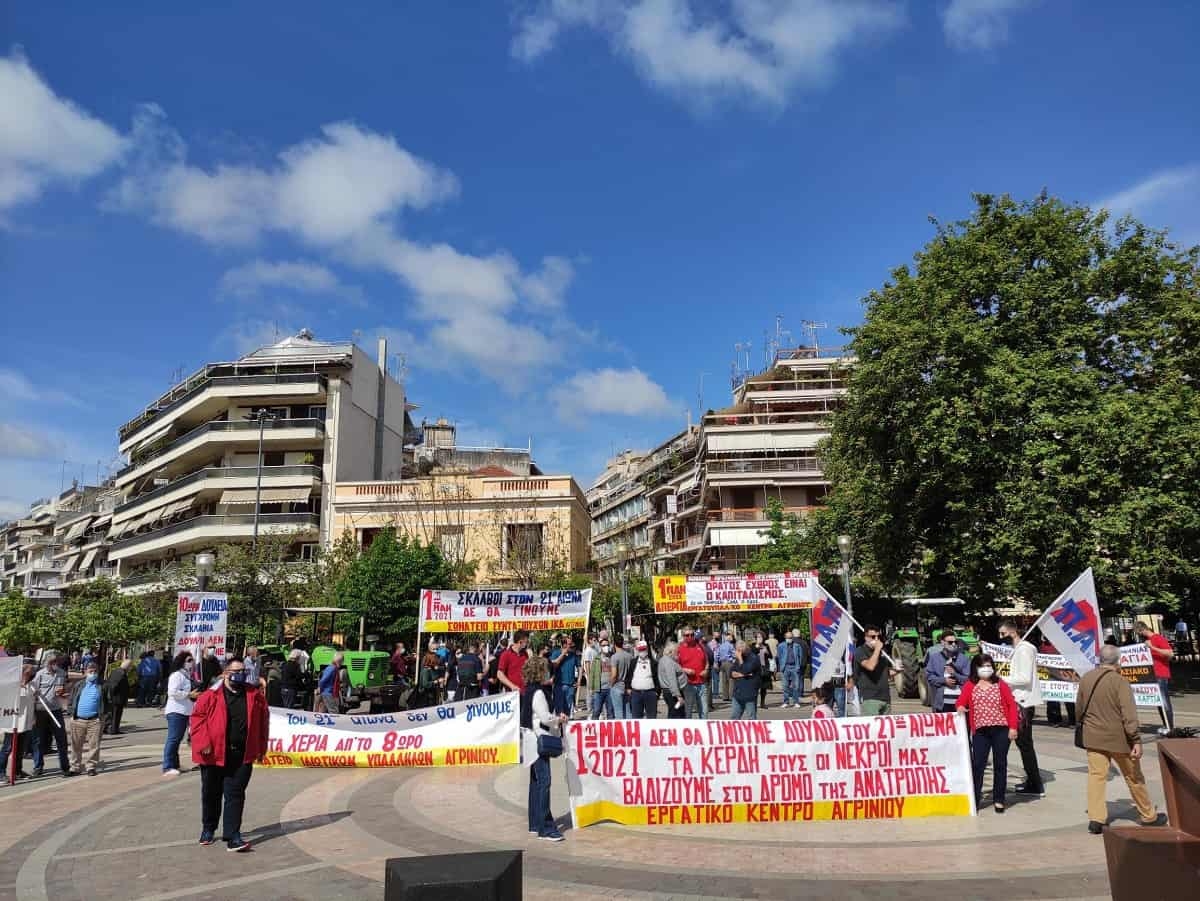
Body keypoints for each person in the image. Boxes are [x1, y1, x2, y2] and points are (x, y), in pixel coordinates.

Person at [1078, 644, 1161, 834]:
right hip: (1119, 739)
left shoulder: (1086, 678)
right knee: (1133, 777)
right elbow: (1129, 715)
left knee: (1096, 777)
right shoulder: (1120, 681)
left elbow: (1079, 709)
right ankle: (1148, 815)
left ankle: (1096, 819)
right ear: (1118, 661)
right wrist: (1136, 739)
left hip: (1093, 737)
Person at [190, 659, 270, 851]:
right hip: (213, 754)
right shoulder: (210, 696)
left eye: (243, 671)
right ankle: (208, 828)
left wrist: (261, 748)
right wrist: (204, 743)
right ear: (225, 673)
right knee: (211, 793)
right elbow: (197, 720)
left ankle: (233, 835)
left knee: (235, 794)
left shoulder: (254, 695)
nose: (240, 674)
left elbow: (263, 723)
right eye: (236, 671)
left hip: (241, 754)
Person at [956, 653, 1019, 813]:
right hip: (981, 731)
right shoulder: (970, 684)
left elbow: (1012, 705)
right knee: (978, 765)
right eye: (983, 666)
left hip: (1001, 729)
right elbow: (961, 701)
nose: (987, 669)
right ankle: (975, 799)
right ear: (976, 668)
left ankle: (999, 799)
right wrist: (960, 707)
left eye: (989, 666)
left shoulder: (1000, 684)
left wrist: (1013, 727)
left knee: (1000, 764)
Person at [521, 655, 565, 842]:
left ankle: (534, 823)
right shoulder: (538, 693)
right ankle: (545, 828)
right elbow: (545, 717)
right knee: (544, 781)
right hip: (539, 740)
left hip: (530, 740)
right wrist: (560, 720)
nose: (548, 672)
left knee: (535, 782)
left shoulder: (529, 690)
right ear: (540, 672)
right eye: (545, 669)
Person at [998, 621, 1043, 796]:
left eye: (1003, 634)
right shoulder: (1021, 648)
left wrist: (1002, 680)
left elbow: (1024, 678)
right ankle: (1033, 781)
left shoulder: (1024, 649)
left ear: (1013, 631)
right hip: (1020, 701)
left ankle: (1035, 783)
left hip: (1022, 702)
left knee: (1023, 743)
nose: (1001, 637)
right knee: (1024, 743)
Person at [31, 655, 71, 778]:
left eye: (55, 662)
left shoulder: (61, 673)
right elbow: (32, 690)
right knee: (38, 740)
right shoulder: (40, 674)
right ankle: (38, 767)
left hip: (55, 710)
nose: (54, 664)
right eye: (51, 662)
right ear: (46, 663)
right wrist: (35, 694)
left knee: (61, 739)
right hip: (41, 710)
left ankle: (65, 767)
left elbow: (63, 688)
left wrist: (64, 692)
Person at [163, 651, 200, 776]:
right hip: (176, 711)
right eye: (189, 660)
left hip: (185, 711)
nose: (191, 663)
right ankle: (167, 766)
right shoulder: (177, 675)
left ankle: (175, 764)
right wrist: (189, 694)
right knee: (173, 739)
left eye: (192, 660)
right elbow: (172, 692)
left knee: (177, 739)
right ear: (182, 662)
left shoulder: (187, 676)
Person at [67, 660, 106, 776]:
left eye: (95, 671)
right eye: (90, 671)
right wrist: (71, 714)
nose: (93, 674)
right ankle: (75, 767)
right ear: (85, 672)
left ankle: (91, 766)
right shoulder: (79, 685)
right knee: (76, 745)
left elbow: (108, 701)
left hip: (95, 720)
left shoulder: (102, 685)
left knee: (94, 745)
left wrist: (103, 715)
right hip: (78, 719)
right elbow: (71, 699)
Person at [1136, 622, 1174, 735]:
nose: (1138, 635)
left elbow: (1170, 653)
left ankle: (1170, 727)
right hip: (1154, 675)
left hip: (1161, 674)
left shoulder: (1157, 638)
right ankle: (1166, 725)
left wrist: (1152, 647)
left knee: (1164, 702)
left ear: (1141, 630)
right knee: (1159, 702)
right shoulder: (1148, 641)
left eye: (1138, 633)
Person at [1, 664, 37, 780]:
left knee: (21, 748)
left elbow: (33, 702)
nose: (29, 675)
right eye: (28, 672)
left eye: (31, 673)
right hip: (13, 721)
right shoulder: (13, 685)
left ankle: (17, 771)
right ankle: (1, 772)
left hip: (26, 721)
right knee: (8, 747)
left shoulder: (32, 685)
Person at [926, 630, 970, 713]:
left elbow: (969, 679)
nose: (954, 644)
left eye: (955, 642)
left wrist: (955, 674)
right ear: (943, 643)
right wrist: (944, 680)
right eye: (950, 642)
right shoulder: (934, 658)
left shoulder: (964, 659)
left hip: (960, 704)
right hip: (941, 703)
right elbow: (929, 677)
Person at [852, 625, 891, 716]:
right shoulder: (860, 651)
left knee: (886, 729)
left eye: (879, 637)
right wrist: (877, 649)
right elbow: (870, 666)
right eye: (873, 637)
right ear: (866, 637)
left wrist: (897, 670)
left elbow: (885, 673)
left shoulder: (882, 652)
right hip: (870, 698)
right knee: (873, 728)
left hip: (885, 698)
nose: (876, 639)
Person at [677, 628, 708, 719]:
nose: (690, 637)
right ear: (683, 636)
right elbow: (675, 667)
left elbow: (707, 662)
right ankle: (688, 730)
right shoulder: (680, 648)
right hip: (688, 684)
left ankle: (703, 730)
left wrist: (706, 670)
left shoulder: (700, 646)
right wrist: (685, 670)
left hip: (701, 683)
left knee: (704, 711)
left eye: (692, 634)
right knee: (688, 711)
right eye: (687, 635)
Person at [730, 640, 761, 720]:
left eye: (739, 650)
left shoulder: (754, 658)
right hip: (738, 693)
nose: (737, 652)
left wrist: (740, 659)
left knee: (751, 718)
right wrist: (742, 674)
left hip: (749, 693)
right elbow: (732, 672)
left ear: (744, 648)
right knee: (734, 717)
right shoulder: (738, 658)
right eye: (736, 650)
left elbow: (746, 670)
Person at [549, 636, 579, 716]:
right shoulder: (556, 653)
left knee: (568, 709)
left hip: (570, 686)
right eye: (569, 644)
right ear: (564, 645)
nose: (572, 645)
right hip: (559, 685)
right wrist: (563, 654)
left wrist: (578, 680)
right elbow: (553, 665)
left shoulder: (573, 655)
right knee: (559, 709)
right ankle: (559, 727)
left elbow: (579, 666)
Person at [657, 642, 688, 719]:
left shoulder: (664, 660)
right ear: (671, 651)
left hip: (669, 691)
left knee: (674, 713)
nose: (678, 653)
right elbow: (672, 679)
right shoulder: (668, 662)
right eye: (677, 651)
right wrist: (678, 696)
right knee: (676, 715)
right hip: (672, 693)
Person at [628, 640, 658, 718]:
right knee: (636, 718)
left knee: (652, 717)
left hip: (650, 693)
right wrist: (628, 688)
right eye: (640, 650)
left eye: (644, 649)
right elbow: (629, 675)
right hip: (636, 694)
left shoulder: (653, 663)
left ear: (647, 649)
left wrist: (657, 692)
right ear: (638, 650)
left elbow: (657, 678)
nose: (642, 651)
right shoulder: (633, 662)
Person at [103, 659, 132, 735]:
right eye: (130, 666)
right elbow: (113, 686)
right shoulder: (121, 673)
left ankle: (112, 728)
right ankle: (113, 729)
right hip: (117, 698)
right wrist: (112, 695)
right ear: (128, 666)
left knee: (113, 714)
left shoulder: (115, 671)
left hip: (116, 697)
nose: (130, 668)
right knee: (116, 714)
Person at [777, 630, 805, 708]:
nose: (789, 639)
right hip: (785, 667)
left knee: (796, 686)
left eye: (790, 637)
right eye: (787, 637)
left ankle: (796, 701)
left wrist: (798, 666)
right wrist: (781, 666)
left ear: (792, 637)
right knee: (785, 685)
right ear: (785, 638)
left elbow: (800, 656)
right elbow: (779, 656)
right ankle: (786, 701)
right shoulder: (781, 646)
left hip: (794, 667)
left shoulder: (797, 646)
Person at [608, 635, 633, 719]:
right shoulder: (629, 656)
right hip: (627, 686)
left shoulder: (614, 657)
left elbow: (614, 675)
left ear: (614, 644)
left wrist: (611, 684)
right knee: (628, 711)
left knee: (618, 712)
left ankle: (620, 731)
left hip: (617, 685)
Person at [588, 639, 614, 720]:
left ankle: (611, 731)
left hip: (610, 689)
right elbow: (592, 673)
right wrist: (591, 688)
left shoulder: (613, 657)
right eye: (603, 645)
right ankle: (594, 730)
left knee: (610, 712)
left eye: (607, 645)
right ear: (600, 647)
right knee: (596, 711)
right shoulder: (597, 658)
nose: (605, 647)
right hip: (599, 689)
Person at [715, 632, 736, 703]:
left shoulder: (721, 645)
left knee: (724, 680)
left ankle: (725, 696)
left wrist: (717, 662)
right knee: (731, 680)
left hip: (722, 663)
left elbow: (717, 655)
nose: (732, 638)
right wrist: (734, 660)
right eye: (731, 637)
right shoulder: (730, 645)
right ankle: (731, 696)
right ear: (729, 637)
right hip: (729, 663)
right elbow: (734, 654)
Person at [757, 639, 773, 709]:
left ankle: (762, 703)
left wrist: (767, 652)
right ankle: (753, 703)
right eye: (758, 637)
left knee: (764, 687)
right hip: (756, 668)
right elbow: (750, 655)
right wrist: (756, 649)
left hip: (764, 668)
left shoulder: (766, 646)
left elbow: (771, 656)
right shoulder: (753, 645)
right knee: (755, 687)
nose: (759, 639)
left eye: (760, 637)